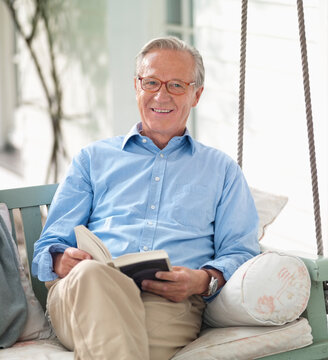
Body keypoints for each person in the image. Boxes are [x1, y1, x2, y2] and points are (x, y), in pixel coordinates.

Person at [32, 36, 260, 360]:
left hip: (168, 304)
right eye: (151, 82)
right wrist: (59, 258)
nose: (161, 95)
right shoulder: (92, 159)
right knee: (92, 274)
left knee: (118, 343)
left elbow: (240, 250)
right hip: (83, 292)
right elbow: (48, 244)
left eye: (177, 85)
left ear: (197, 95)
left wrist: (201, 280)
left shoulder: (222, 171)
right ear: (137, 86)